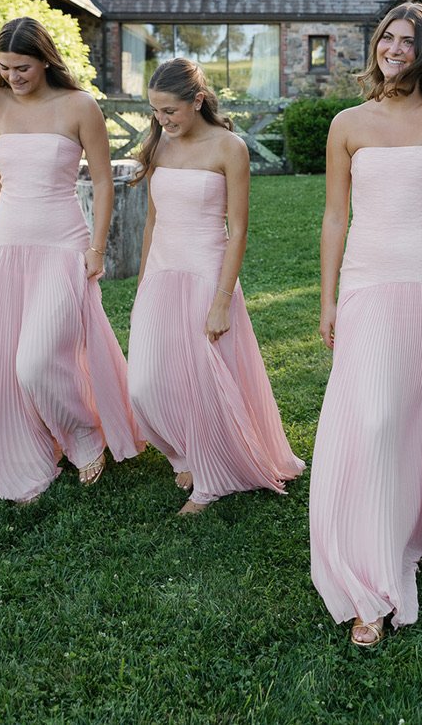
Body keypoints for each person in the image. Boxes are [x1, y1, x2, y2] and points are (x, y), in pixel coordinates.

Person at [310, 3, 422, 647]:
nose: (394, 48)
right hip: (364, 279)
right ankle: (373, 576)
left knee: (409, 414)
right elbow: (335, 216)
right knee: (373, 415)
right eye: (387, 37)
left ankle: (407, 532)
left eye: (409, 41)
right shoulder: (347, 123)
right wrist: (328, 298)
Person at [0, 17, 143, 502]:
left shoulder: (79, 106)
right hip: (7, 246)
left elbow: (105, 182)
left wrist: (96, 248)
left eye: (22, 67)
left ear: (45, 59)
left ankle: (84, 433)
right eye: (4, 67)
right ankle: (30, 441)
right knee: (4, 358)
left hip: (62, 246)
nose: (13, 76)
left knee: (37, 360)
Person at [127, 58, 304, 515]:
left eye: (170, 111)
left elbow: (238, 229)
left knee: (201, 384)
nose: (162, 121)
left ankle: (208, 481)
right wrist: (145, 282)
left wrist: (222, 301)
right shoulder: (159, 146)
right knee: (144, 384)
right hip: (162, 274)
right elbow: (152, 220)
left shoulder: (230, 147)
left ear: (197, 101)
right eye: (156, 112)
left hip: (207, 274)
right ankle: (182, 454)